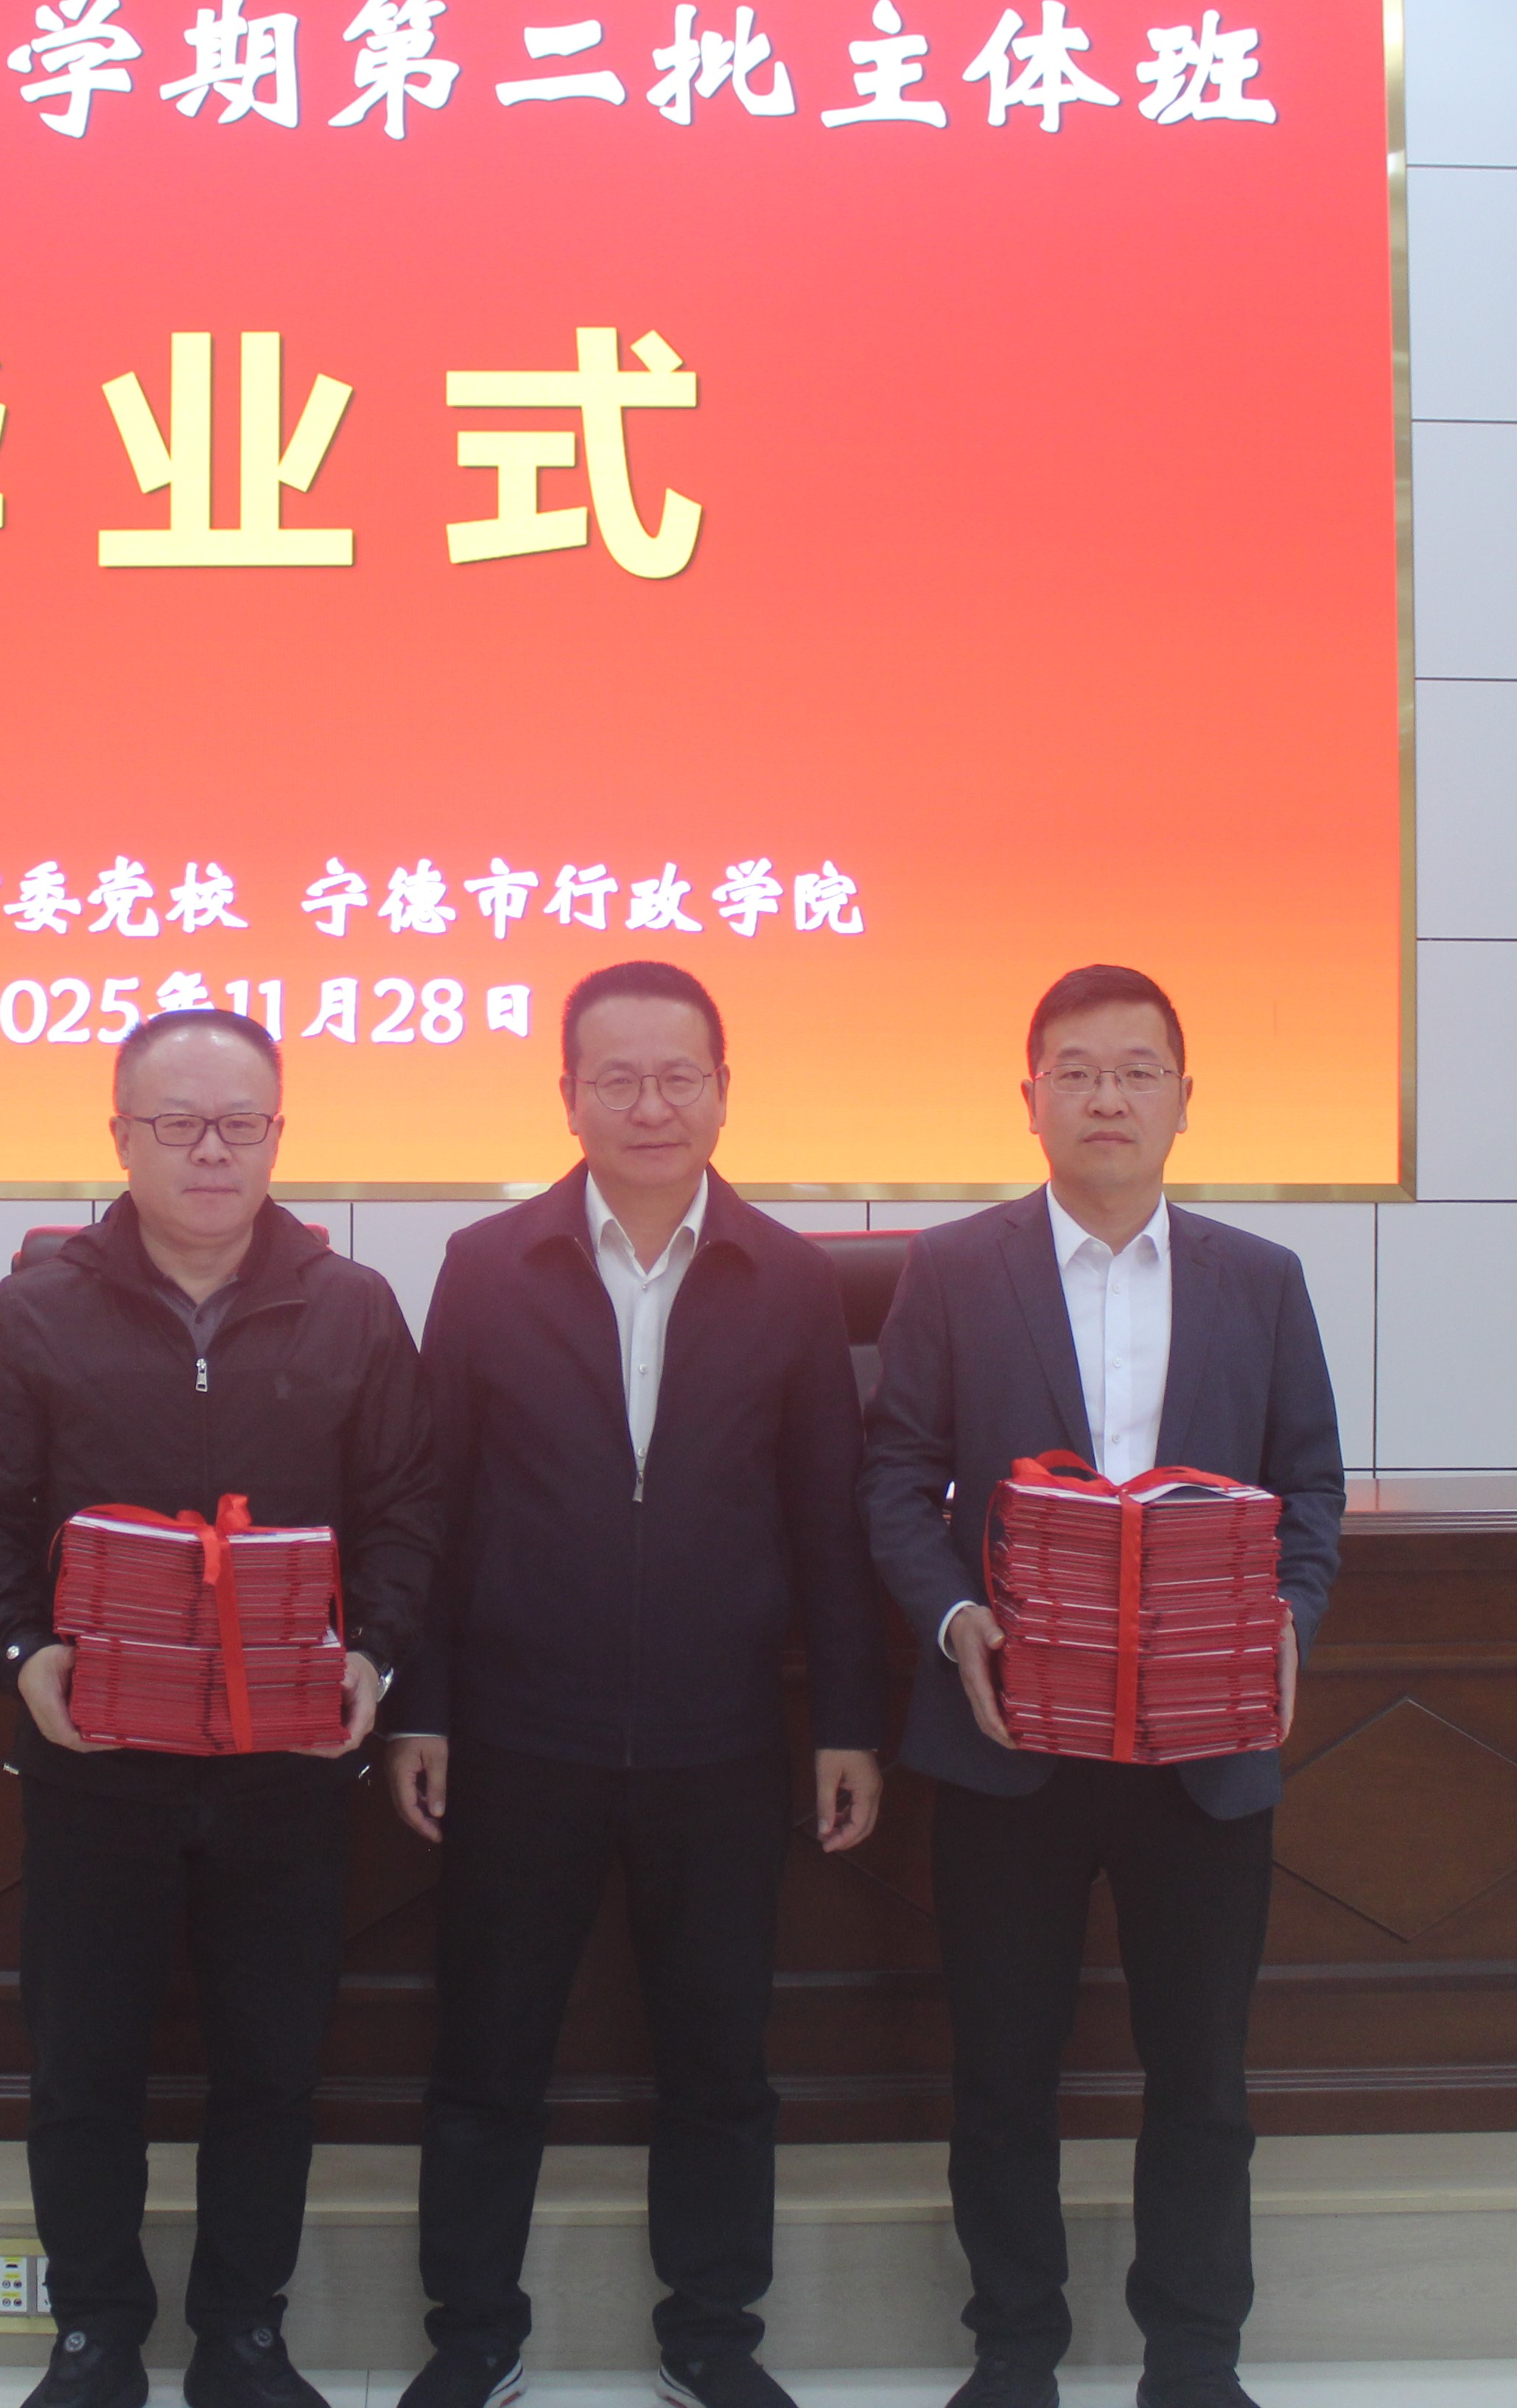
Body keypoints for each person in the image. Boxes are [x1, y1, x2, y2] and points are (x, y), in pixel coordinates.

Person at [383, 960, 891, 2408]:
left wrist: (848, 1722)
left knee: (720, 2059)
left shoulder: (791, 1280)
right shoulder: (488, 1266)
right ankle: (472, 2336)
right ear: (569, 1096)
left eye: (679, 1077)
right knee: (487, 2053)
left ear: (724, 1093)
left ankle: (712, 2338)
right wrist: (422, 1704)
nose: (651, 1105)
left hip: (718, 1738)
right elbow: (433, 1504)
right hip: (517, 1733)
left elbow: (829, 1520)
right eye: (618, 1078)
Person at [0, 1008, 444, 2408]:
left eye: (240, 1125)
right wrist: (18, 1654)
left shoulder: (353, 1309)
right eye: (178, 1124)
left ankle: (244, 2336)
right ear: (122, 1138)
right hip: (96, 1762)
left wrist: (375, 1656)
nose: (211, 1152)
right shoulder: (38, 1309)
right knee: (84, 2065)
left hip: (287, 1767)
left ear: (279, 1135)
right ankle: (95, 2334)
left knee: (272, 2067)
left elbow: (408, 1510)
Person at [860, 964, 1344, 2408]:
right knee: (1003, 2073)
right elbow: (895, 1477)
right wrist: (955, 1619)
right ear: (1031, 1101)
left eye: (1137, 1071)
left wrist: (1286, 1619)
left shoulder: (1262, 1281)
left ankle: (1194, 2360)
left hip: (1204, 1743)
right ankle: (1014, 2352)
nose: (1107, 1097)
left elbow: (1310, 1488)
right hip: (1009, 1736)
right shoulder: (954, 1270)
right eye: (1075, 1071)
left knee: (1201, 2077)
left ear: (1186, 1100)